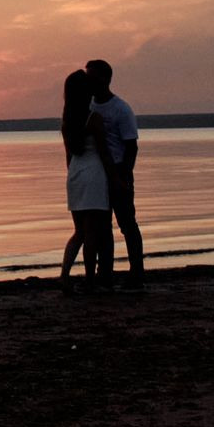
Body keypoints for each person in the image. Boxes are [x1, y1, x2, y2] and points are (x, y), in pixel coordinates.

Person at [86, 57, 144, 285]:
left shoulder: (121, 109)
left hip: (119, 170)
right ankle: (105, 273)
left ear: (105, 79)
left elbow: (131, 145)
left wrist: (124, 176)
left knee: (127, 223)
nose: (88, 81)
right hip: (96, 172)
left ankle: (137, 271)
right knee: (101, 226)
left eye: (92, 76)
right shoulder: (87, 105)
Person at [60, 70, 114, 287]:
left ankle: (64, 275)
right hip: (94, 173)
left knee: (79, 231)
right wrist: (115, 178)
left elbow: (68, 156)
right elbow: (104, 152)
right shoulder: (94, 118)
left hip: (75, 173)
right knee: (92, 231)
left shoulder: (67, 122)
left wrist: (72, 177)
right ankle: (90, 278)